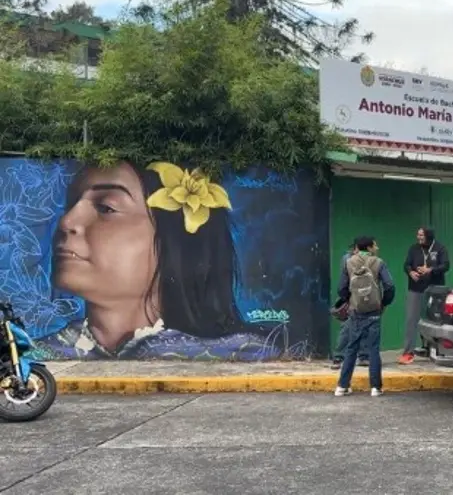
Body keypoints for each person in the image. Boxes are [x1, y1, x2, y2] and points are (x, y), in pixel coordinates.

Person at [43, 161, 278, 360]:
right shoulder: (41, 354)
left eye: (106, 208)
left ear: (176, 239)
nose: (67, 222)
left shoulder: (243, 352)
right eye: (71, 204)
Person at [335, 236, 395, 397]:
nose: (377, 247)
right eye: (375, 245)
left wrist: (350, 300)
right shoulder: (378, 262)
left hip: (355, 310)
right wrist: (384, 302)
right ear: (369, 247)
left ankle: (342, 386)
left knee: (351, 348)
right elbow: (389, 285)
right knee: (373, 348)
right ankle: (376, 387)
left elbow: (341, 288)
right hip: (374, 310)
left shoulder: (348, 262)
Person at [399, 227, 449, 365]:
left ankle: (435, 350)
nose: (418, 237)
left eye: (421, 235)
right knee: (411, 320)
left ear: (429, 236)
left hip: (434, 290)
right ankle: (408, 353)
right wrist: (410, 272)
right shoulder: (413, 248)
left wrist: (430, 270)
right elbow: (406, 264)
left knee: (436, 321)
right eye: (418, 234)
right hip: (415, 289)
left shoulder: (440, 248)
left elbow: (446, 265)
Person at [331, 242, 369, 370]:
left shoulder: (358, 259)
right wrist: (346, 298)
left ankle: (362, 356)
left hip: (361, 297)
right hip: (354, 297)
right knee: (348, 327)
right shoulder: (349, 260)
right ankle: (339, 356)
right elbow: (346, 281)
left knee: (362, 326)